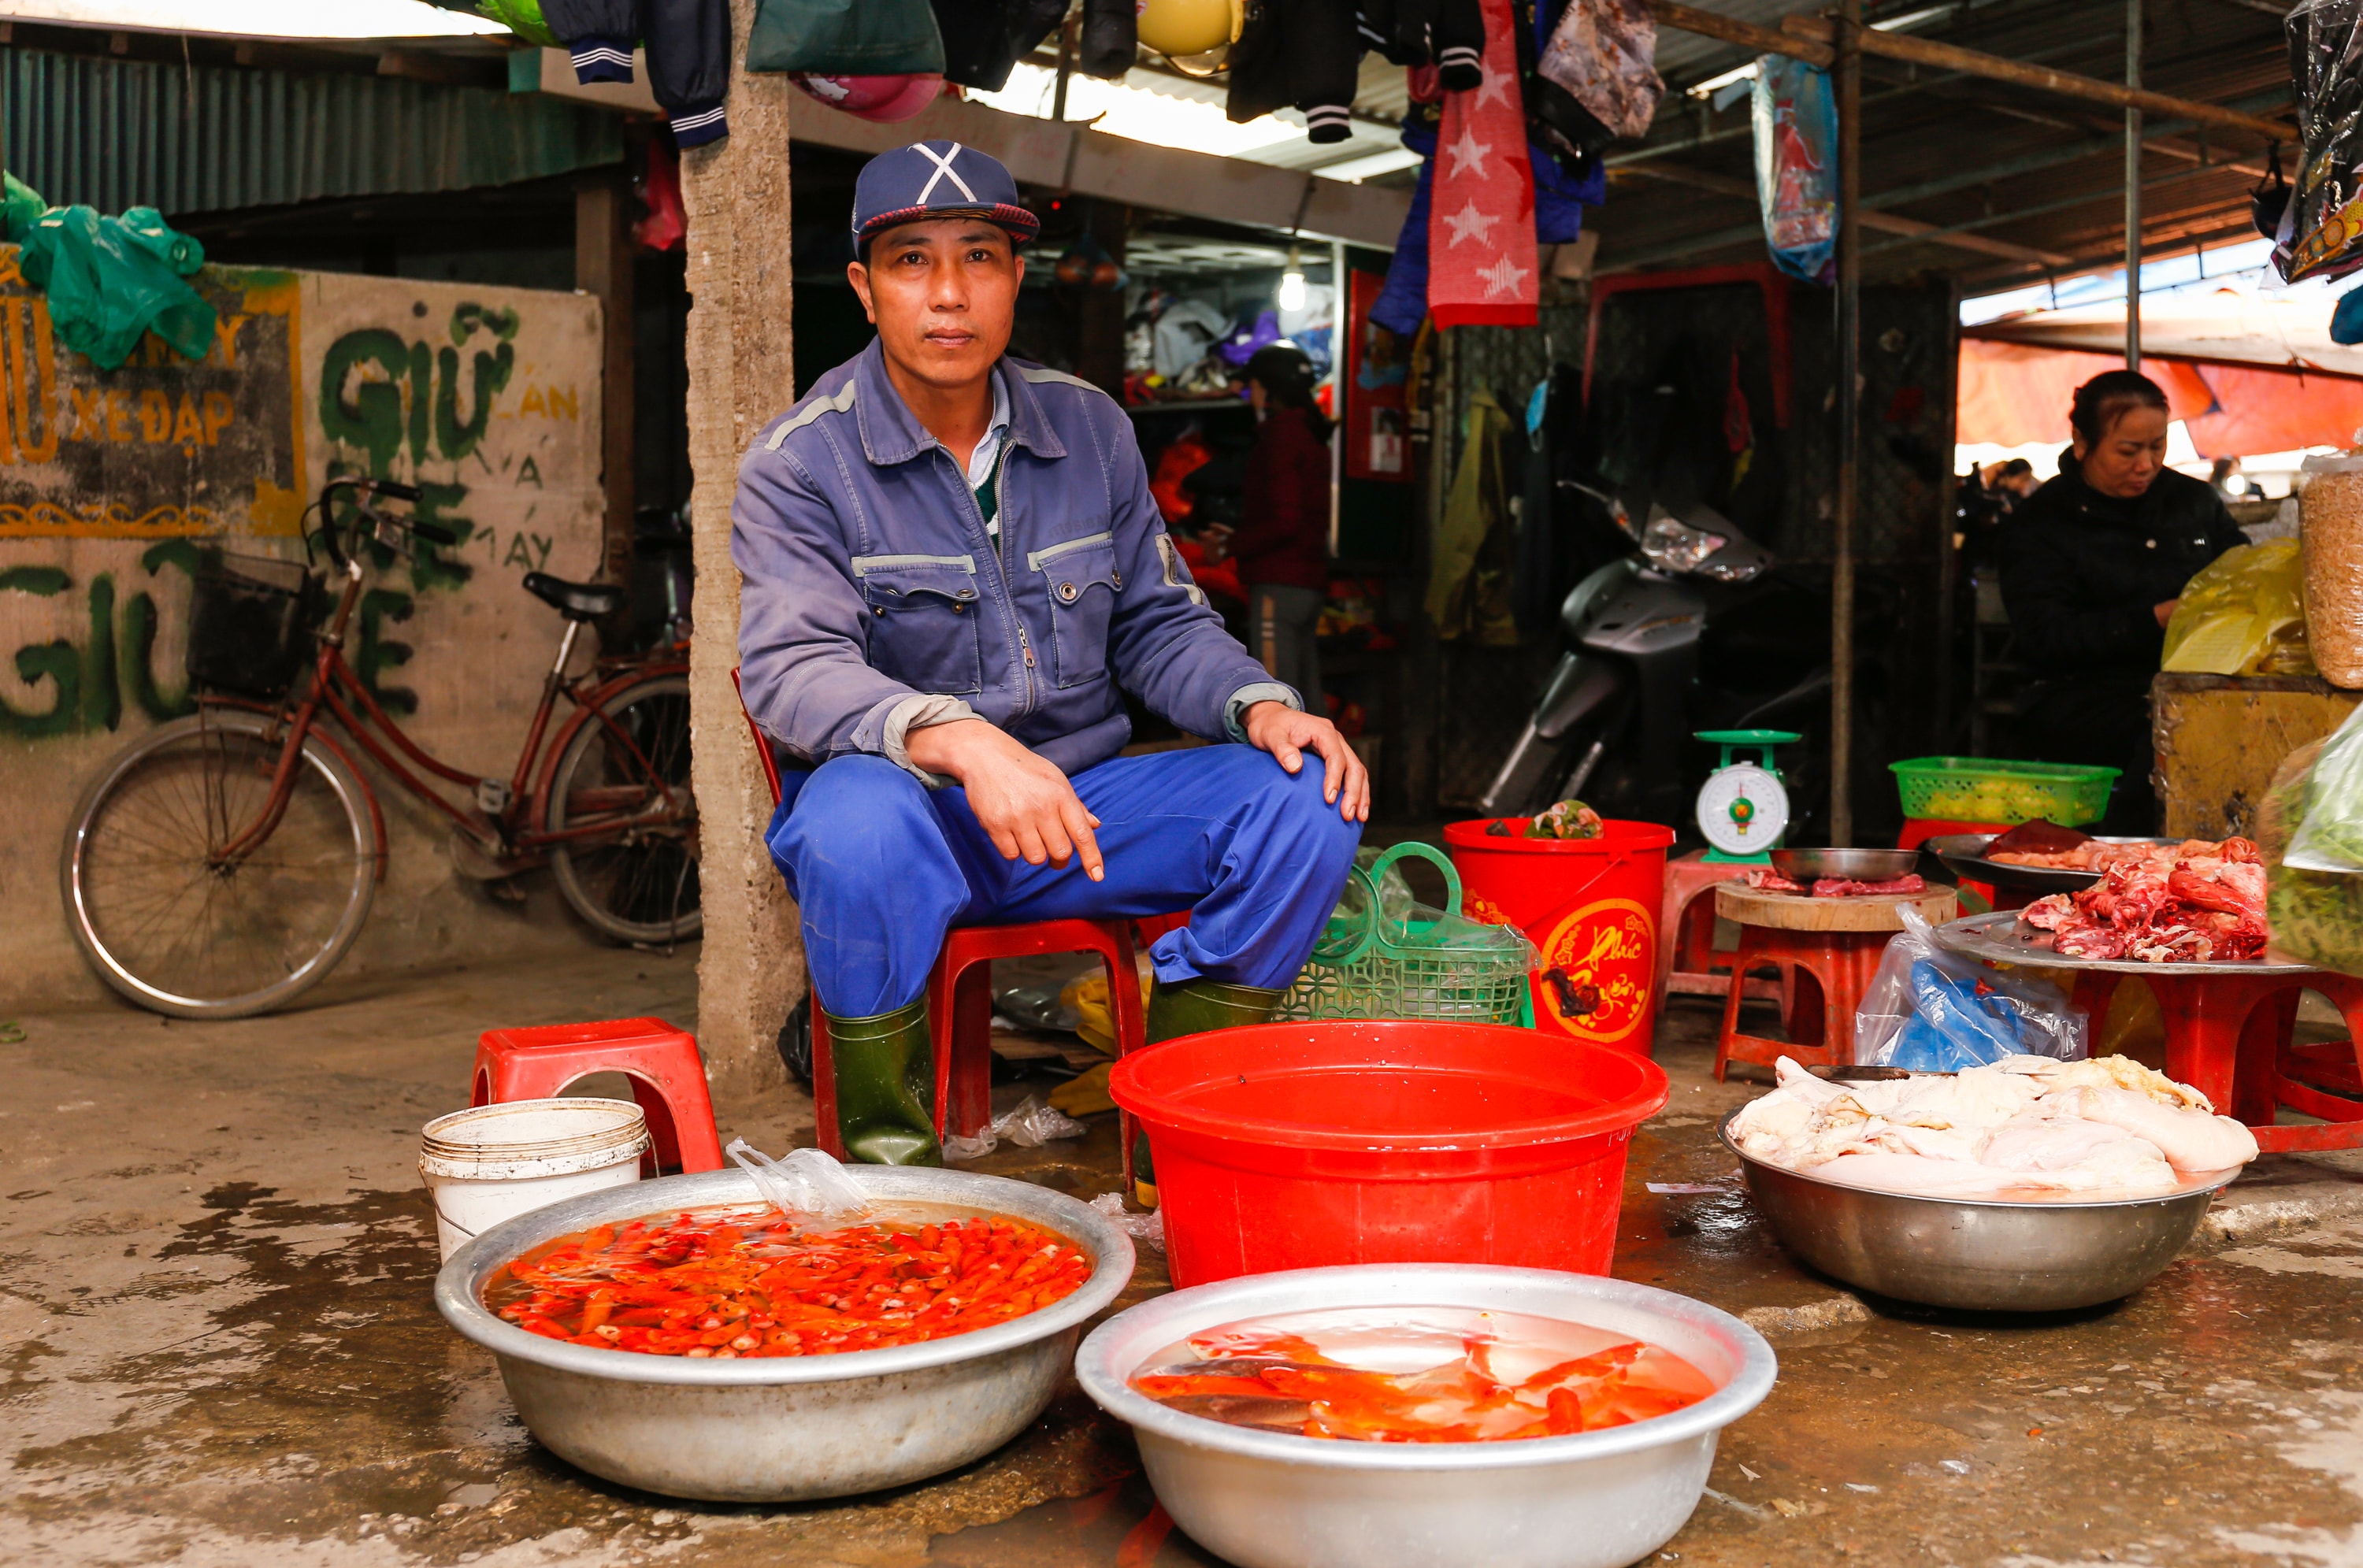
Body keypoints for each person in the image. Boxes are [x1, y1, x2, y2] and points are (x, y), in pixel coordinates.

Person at [733, 140, 1368, 1168]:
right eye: (910, 261)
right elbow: (792, 666)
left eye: (979, 256)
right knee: (847, 820)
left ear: (1015, 276)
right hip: (912, 823)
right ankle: (896, 1188)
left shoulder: (1093, 428)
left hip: (1083, 814)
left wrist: (1259, 704)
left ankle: (1180, 1149)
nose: (949, 294)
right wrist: (963, 739)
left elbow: (1160, 625)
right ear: (864, 288)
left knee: (1310, 793)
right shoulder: (801, 461)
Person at [1997, 370, 2246, 832]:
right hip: (2085, 698)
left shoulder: (2193, 502)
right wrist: (2155, 619)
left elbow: (2241, 571)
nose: (2146, 464)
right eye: (2128, 451)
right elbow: (2045, 636)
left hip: (2198, 686)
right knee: (2160, 737)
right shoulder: (2043, 521)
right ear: (2082, 442)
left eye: (2158, 446)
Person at [1204, 343, 1333, 703]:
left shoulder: (1281, 437)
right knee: (1306, 698)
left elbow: (1286, 521)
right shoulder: (1308, 433)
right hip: (1306, 581)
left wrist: (1231, 546)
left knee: (1279, 701)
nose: (1251, 395)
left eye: (1254, 386)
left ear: (1270, 389)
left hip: (1281, 585)